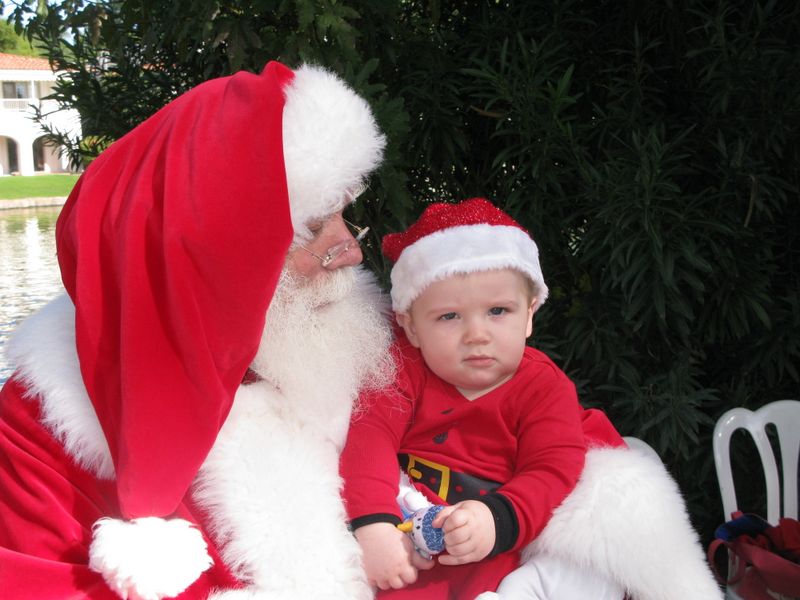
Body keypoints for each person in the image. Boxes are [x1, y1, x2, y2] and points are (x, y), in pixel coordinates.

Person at [0, 60, 392, 599]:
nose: (351, 249)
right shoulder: (42, 425)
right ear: (219, 254)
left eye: (345, 216)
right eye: (315, 227)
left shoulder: (350, 344)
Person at [340, 198, 724, 600]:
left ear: (529, 316)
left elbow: (552, 470)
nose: (477, 334)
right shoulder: (401, 371)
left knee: (580, 574)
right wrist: (374, 524)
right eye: (449, 316)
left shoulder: (543, 387)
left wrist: (497, 521)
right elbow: (368, 442)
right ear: (411, 327)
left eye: (498, 311)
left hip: (506, 534)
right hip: (414, 532)